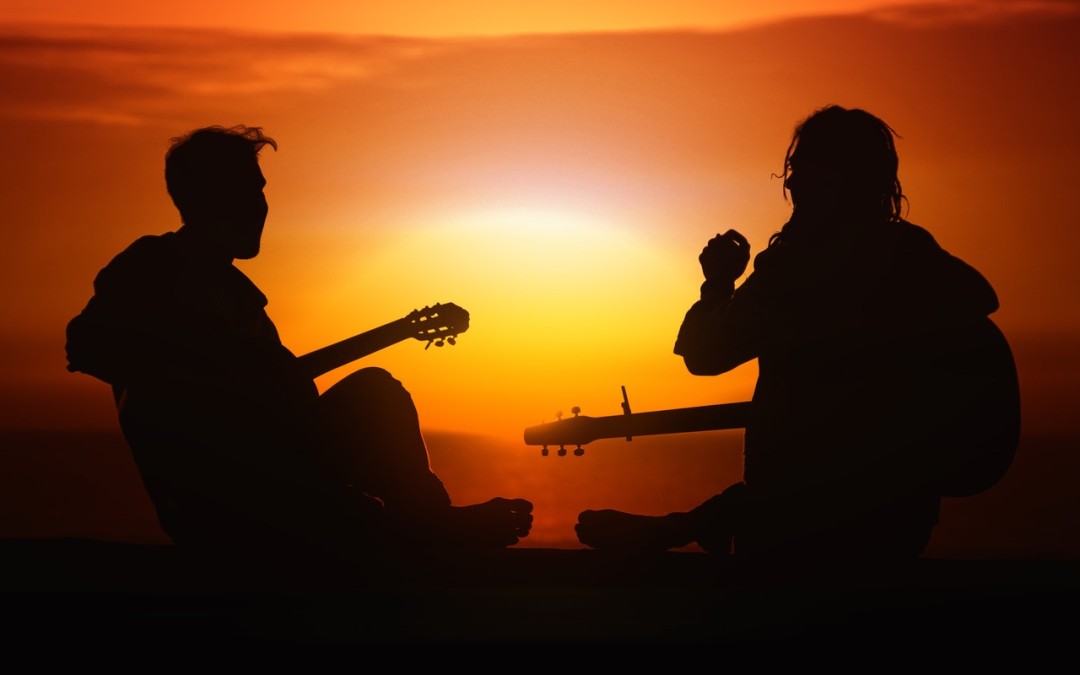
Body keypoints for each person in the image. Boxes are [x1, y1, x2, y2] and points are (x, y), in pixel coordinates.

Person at [66, 125, 533, 562]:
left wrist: (258, 387)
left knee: (376, 403)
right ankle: (431, 525)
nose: (259, 206)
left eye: (260, 191)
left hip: (278, 486)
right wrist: (206, 380)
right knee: (376, 402)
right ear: (204, 197)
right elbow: (85, 345)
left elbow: (283, 400)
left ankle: (427, 521)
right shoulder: (154, 263)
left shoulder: (243, 299)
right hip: (216, 502)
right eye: (245, 191)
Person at [575, 105, 1019, 564]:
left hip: (802, 534)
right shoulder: (911, 254)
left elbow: (705, 356)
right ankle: (696, 523)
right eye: (794, 169)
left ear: (836, 179)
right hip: (898, 525)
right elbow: (979, 297)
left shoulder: (800, 269)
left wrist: (718, 284)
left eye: (803, 168)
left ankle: (690, 526)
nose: (791, 183)